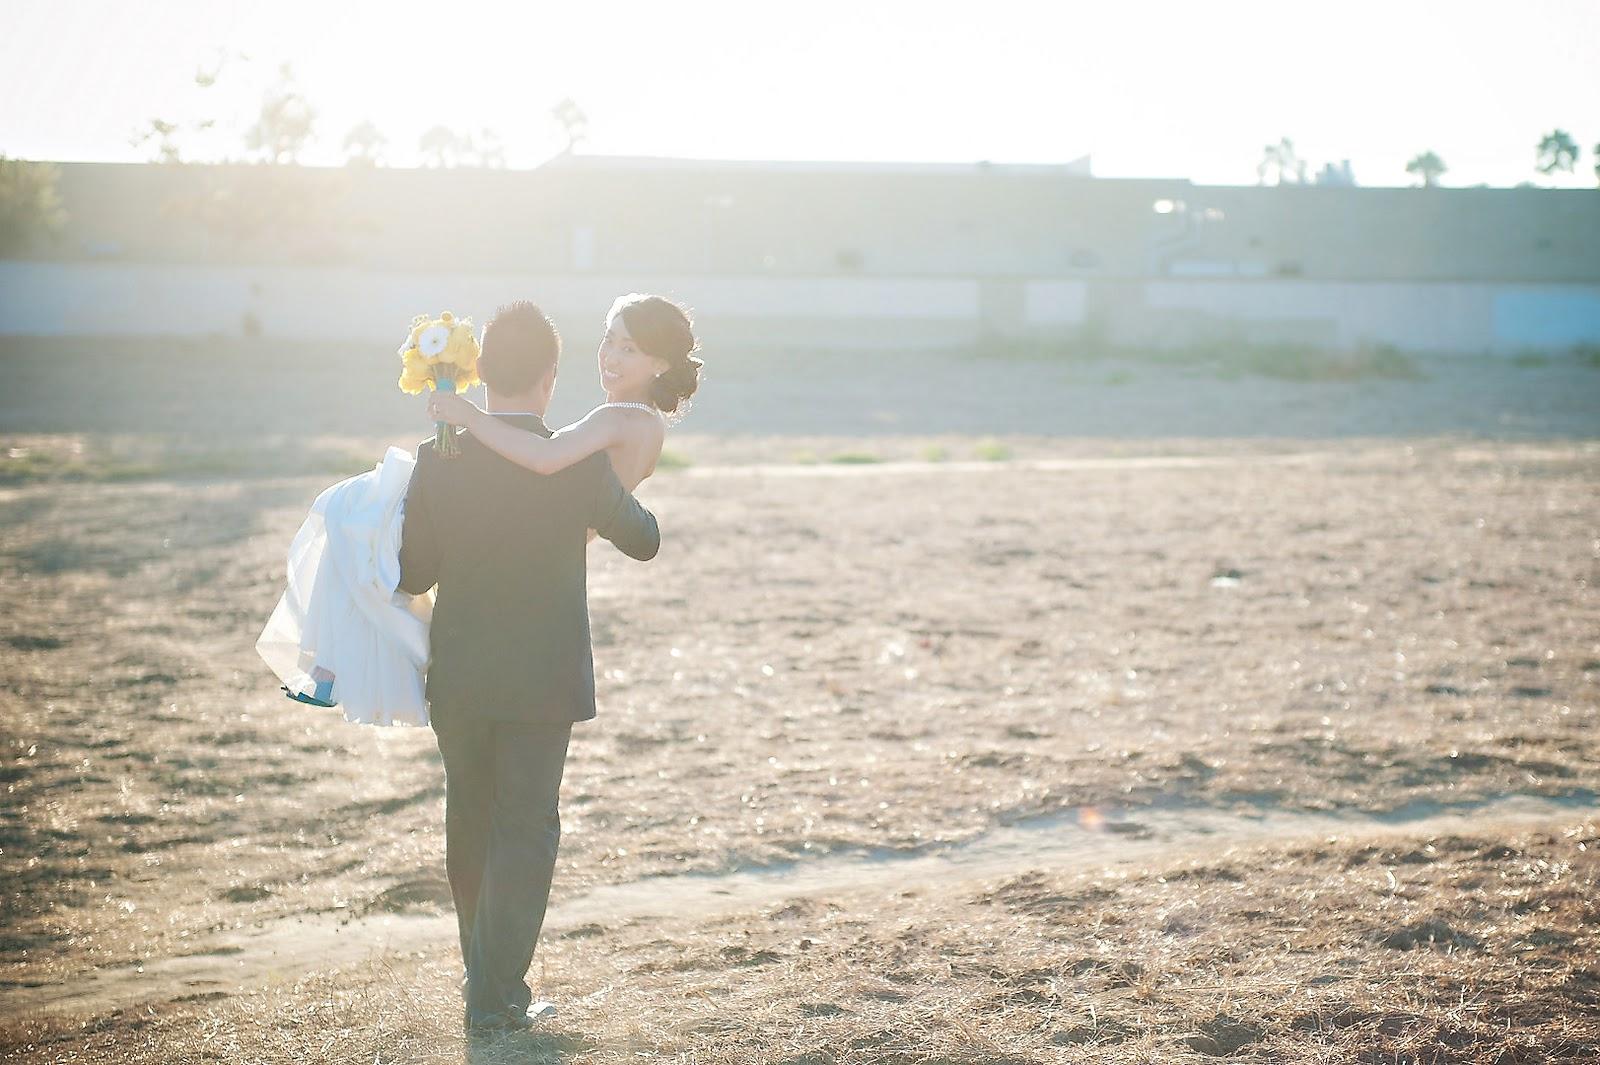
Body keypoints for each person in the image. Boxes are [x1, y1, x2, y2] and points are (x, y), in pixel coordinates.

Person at [396, 299, 661, 1033]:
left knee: (470, 819)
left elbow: (414, 573)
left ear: (478, 375)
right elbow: (643, 540)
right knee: (526, 830)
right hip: (543, 677)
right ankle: (494, 994)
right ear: (550, 379)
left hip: (461, 674)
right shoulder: (574, 463)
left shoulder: (436, 459)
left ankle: (485, 982)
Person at [428, 293, 701, 490]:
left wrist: (470, 417)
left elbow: (544, 457)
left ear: (660, 364)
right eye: (609, 340)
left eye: (628, 349)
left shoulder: (616, 420)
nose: (611, 357)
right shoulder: (650, 424)